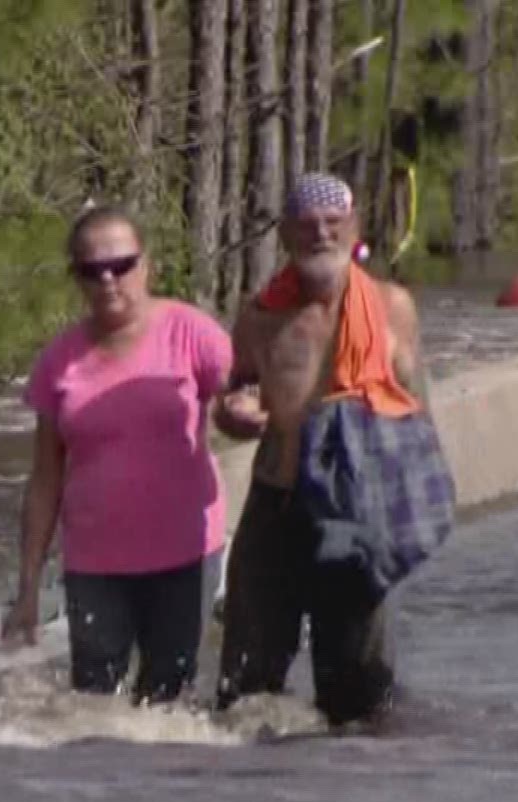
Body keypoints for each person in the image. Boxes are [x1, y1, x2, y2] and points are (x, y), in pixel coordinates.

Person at [212, 172, 449, 726]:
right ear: (288, 235)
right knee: (246, 685)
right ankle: (259, 783)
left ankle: (348, 790)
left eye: (332, 224)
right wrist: (233, 414)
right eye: (308, 225)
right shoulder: (261, 315)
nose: (321, 234)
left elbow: (420, 410)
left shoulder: (393, 307)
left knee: (360, 693)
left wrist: (412, 512)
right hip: (279, 501)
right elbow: (234, 395)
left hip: (358, 505)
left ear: (354, 228)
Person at [6, 204, 234, 705]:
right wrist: (28, 584)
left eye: (121, 265)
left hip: (184, 555)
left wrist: (249, 412)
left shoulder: (192, 333)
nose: (108, 279)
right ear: (77, 278)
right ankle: (102, 787)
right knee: (93, 706)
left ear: (146, 265)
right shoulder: (58, 361)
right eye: (92, 270)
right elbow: (45, 478)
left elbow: (246, 395)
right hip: (95, 563)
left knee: (167, 702)